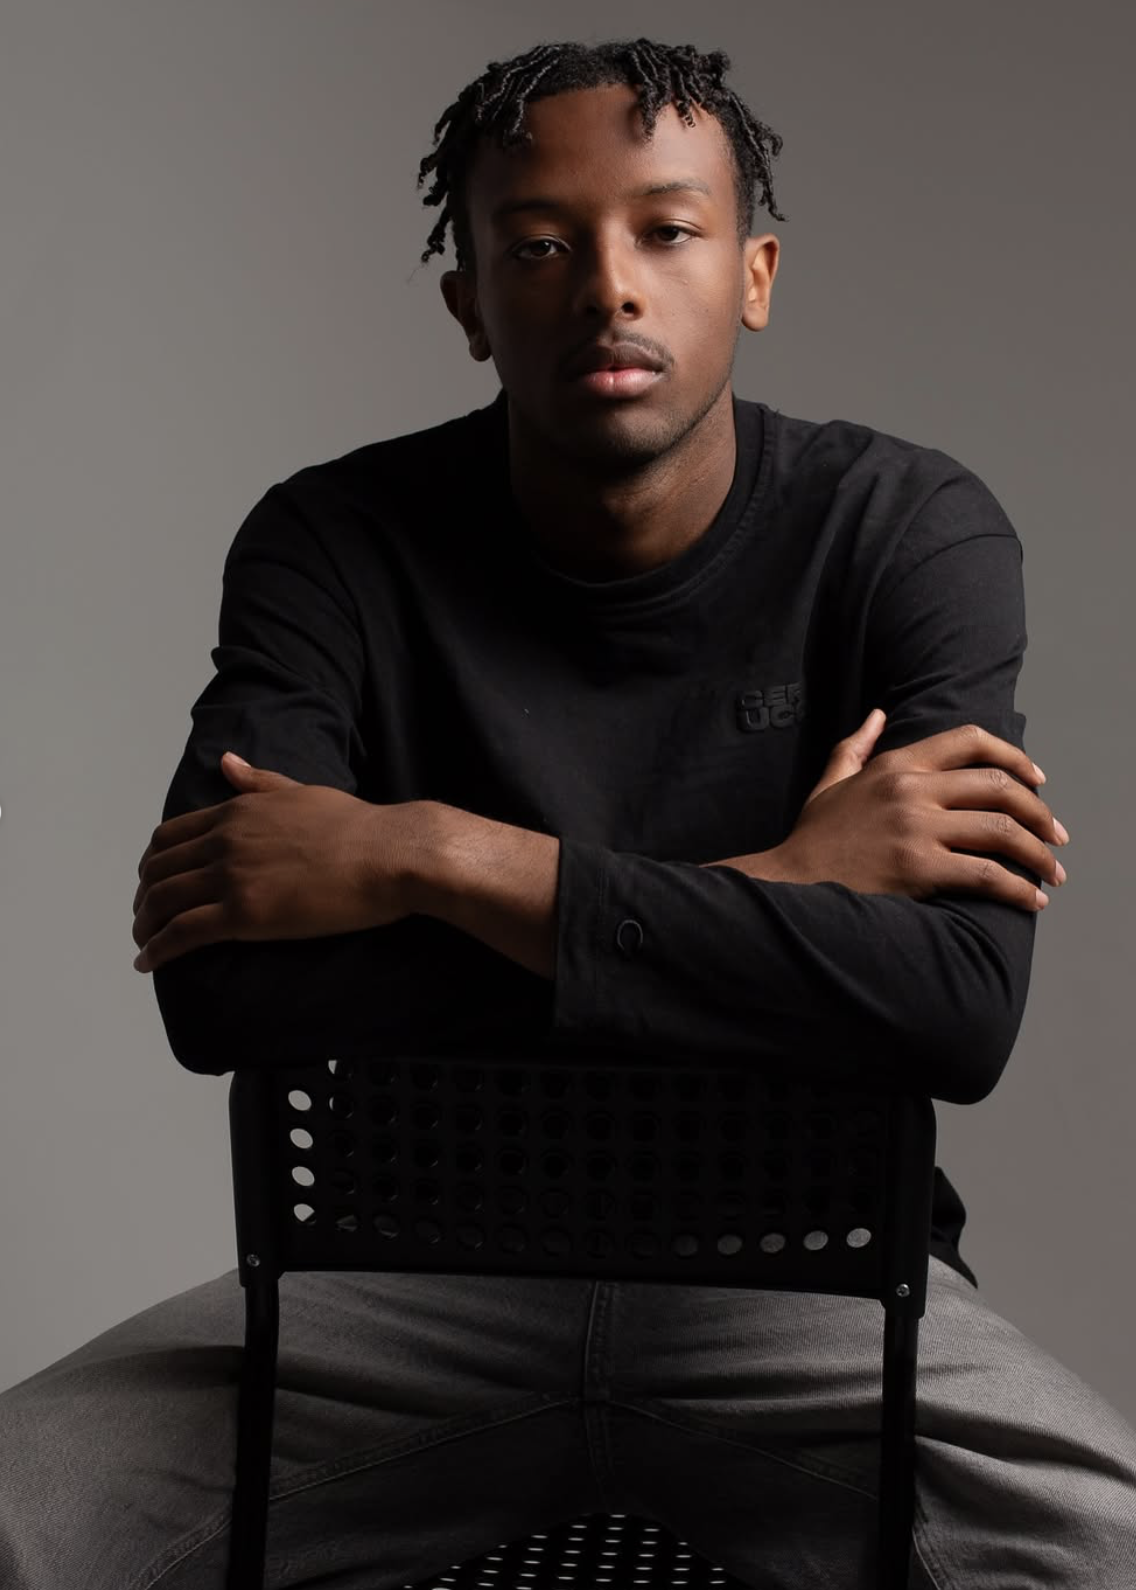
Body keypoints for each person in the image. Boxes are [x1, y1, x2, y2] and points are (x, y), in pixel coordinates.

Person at [2, 35, 1134, 1590]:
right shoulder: (332, 542)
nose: (608, 286)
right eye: (538, 245)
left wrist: (428, 853)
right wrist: (783, 886)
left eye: (667, 231)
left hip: (808, 1302)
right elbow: (220, 985)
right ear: (471, 300)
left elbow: (954, 1010)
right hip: (386, 1304)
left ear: (753, 272)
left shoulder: (906, 532)